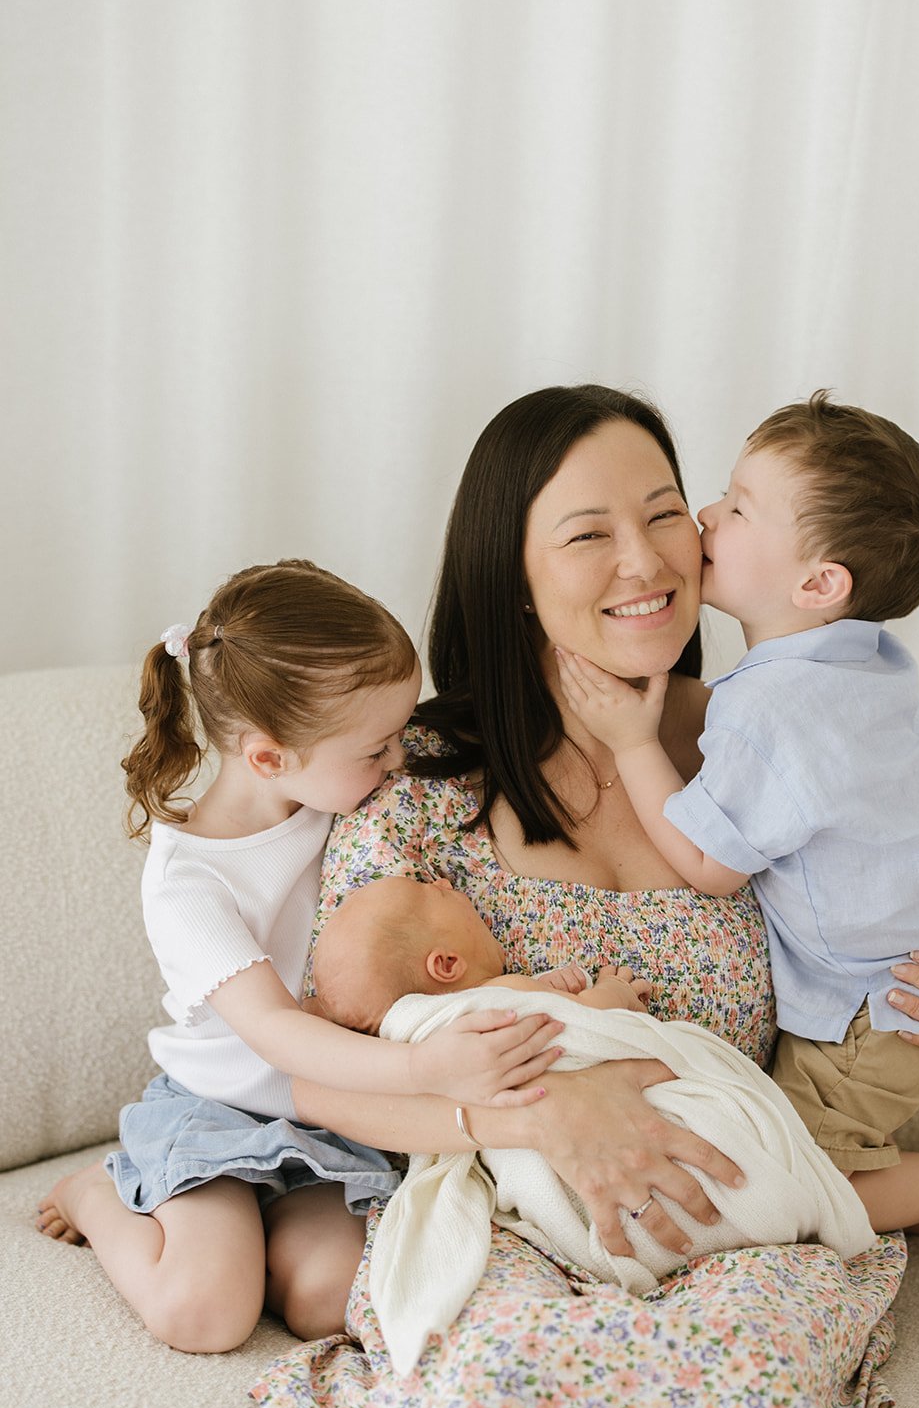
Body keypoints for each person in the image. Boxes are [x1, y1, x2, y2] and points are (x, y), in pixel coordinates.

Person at [248, 388, 919, 1408]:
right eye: (589, 532)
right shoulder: (421, 790)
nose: (650, 557)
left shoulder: (775, 744)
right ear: (511, 570)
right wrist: (538, 1105)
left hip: (743, 1224)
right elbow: (323, 1077)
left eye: (667, 512)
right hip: (521, 1220)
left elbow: (912, 883)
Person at [556, 390, 919, 1307]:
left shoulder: (771, 708)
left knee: (786, 1189)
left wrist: (632, 743)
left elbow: (706, 865)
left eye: (734, 507)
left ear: (817, 585)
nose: (703, 518)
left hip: (872, 1009)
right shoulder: (875, 672)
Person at [35, 559, 561, 1354]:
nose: (397, 762)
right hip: (219, 1107)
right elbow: (277, 1035)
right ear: (268, 757)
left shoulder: (338, 806)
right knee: (204, 1315)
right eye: (376, 747)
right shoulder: (190, 882)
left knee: (325, 1302)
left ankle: (261, 1230)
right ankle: (94, 1196)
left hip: (325, 1118)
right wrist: (429, 1071)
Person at [310, 874, 876, 1374]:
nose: (446, 885)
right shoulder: (498, 999)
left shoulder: (432, 1023)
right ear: (447, 964)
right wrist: (611, 994)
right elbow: (586, 1024)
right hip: (592, 1161)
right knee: (761, 1181)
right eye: (434, 893)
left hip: (573, 1221)